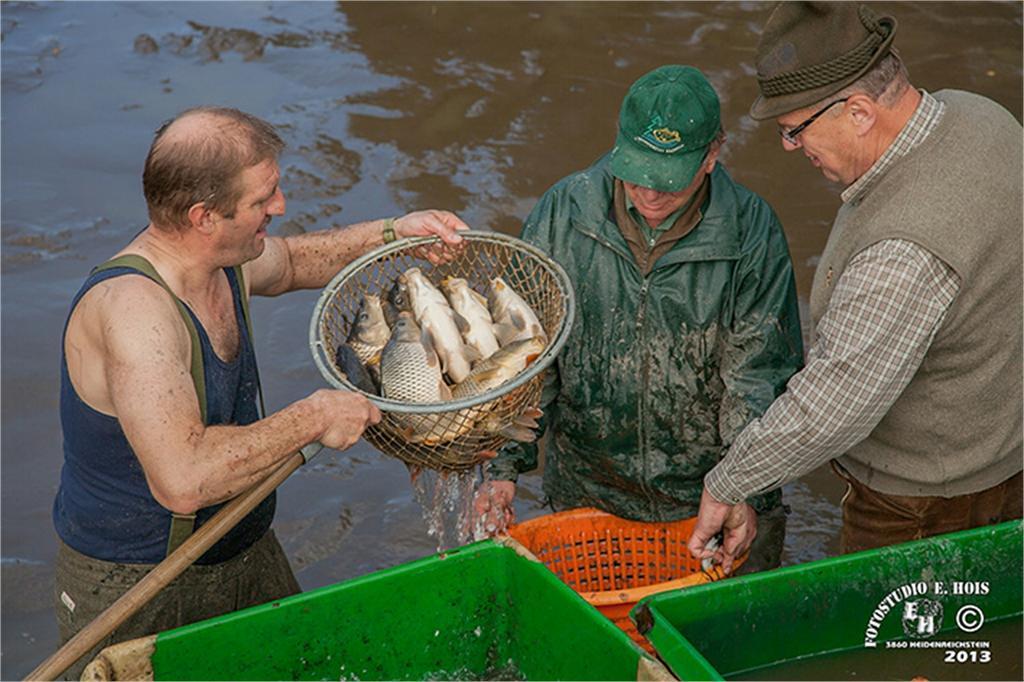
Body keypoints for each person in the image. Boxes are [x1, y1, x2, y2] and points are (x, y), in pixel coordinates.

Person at [53, 106, 467, 678]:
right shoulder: (137, 313)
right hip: (139, 583)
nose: (281, 207)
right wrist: (313, 415)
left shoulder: (225, 259)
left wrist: (396, 234)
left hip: (243, 543)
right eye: (263, 198)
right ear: (203, 216)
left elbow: (296, 260)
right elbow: (182, 479)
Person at [689, 1, 1023, 572]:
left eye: (795, 131)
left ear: (861, 112)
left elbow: (830, 408)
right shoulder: (977, 115)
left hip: (922, 503)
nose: (792, 150)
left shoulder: (905, 249)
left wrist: (728, 484)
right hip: (1004, 449)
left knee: (897, 645)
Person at [475, 65, 805, 574]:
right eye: (637, 171)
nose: (650, 195)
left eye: (668, 181)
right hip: (589, 492)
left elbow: (759, 377)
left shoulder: (751, 232)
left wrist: (739, 486)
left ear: (712, 155)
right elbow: (524, 354)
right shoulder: (563, 213)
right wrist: (503, 468)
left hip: (709, 496)